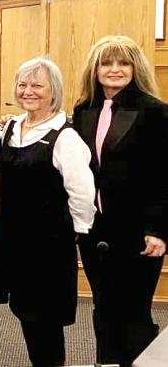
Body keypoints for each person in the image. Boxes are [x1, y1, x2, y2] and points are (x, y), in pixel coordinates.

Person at [0, 57, 95, 367]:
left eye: (37, 85)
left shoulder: (66, 137)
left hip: (49, 246)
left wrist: (77, 235)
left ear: (54, 91)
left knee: (45, 320)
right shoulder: (11, 127)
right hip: (15, 242)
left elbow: (82, 194)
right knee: (26, 313)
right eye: (22, 84)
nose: (28, 91)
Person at [72, 35, 168, 367]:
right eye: (107, 63)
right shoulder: (83, 110)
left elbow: (163, 177)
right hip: (96, 232)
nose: (114, 69)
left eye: (123, 62)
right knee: (103, 307)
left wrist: (158, 230)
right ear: (95, 69)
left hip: (139, 232)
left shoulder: (155, 111)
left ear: (135, 67)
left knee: (135, 313)